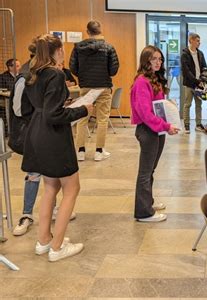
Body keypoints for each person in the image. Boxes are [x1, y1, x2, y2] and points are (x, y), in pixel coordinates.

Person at [22, 34, 93, 261]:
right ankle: (57, 246)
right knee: (72, 189)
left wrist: (64, 106)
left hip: (38, 132)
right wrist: (83, 110)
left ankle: (44, 240)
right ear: (58, 50)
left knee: (50, 188)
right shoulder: (54, 73)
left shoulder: (32, 72)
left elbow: (41, 107)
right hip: (53, 137)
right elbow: (55, 114)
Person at [10, 44, 77, 236]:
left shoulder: (35, 73)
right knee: (39, 178)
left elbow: (47, 106)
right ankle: (27, 215)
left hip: (40, 129)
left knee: (50, 184)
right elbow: (20, 109)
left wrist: (52, 106)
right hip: (40, 132)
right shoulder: (31, 75)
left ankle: (45, 236)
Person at [130, 45, 180, 222]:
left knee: (150, 170)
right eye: (154, 59)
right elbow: (145, 113)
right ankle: (144, 212)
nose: (158, 62)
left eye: (160, 59)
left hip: (156, 131)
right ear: (146, 61)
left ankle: (147, 202)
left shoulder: (154, 79)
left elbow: (156, 107)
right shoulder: (142, 82)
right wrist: (166, 126)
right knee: (145, 172)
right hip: (148, 130)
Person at [70, 20, 119, 162]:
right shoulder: (109, 47)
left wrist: (83, 76)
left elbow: (73, 68)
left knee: (82, 119)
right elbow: (114, 69)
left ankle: (80, 151)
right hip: (103, 86)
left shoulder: (78, 47)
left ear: (88, 31)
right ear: (100, 30)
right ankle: (99, 151)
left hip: (85, 87)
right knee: (102, 119)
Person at [180, 32, 207, 134]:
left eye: (199, 41)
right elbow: (186, 72)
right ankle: (186, 126)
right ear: (191, 40)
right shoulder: (184, 54)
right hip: (189, 84)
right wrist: (196, 81)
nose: (199, 43)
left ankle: (198, 125)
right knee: (187, 104)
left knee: (198, 104)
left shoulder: (200, 54)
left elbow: (204, 67)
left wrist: (203, 80)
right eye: (197, 41)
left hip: (200, 84)